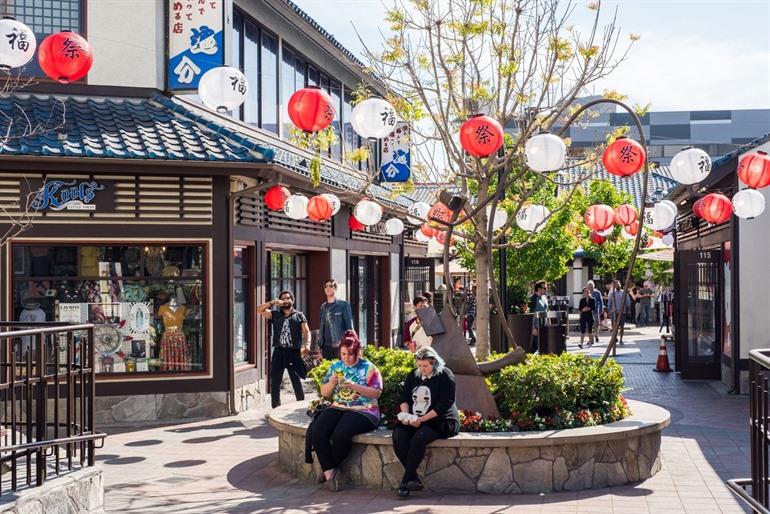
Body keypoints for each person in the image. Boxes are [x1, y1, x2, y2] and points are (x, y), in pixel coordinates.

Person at [312, 330, 383, 492]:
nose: (346, 357)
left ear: (358, 352)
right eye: (343, 354)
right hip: (339, 406)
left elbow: (376, 393)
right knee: (317, 430)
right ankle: (329, 471)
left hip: (365, 411)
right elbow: (324, 392)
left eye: (350, 354)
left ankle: (328, 469)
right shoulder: (336, 366)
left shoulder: (369, 368)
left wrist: (353, 386)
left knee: (341, 433)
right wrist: (331, 383)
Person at [392, 346, 459, 498]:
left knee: (418, 439)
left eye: (426, 366)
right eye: (419, 365)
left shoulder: (445, 376)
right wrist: (406, 415)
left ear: (433, 363)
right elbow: (404, 398)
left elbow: (445, 403)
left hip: (440, 419)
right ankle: (414, 478)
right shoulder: (413, 375)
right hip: (415, 417)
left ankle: (405, 482)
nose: (422, 369)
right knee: (398, 436)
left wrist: (421, 420)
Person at [257, 290, 310, 409]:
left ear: (292, 300)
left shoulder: (299, 315)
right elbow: (259, 310)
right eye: (283, 298)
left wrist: (307, 344)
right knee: (275, 382)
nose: (286, 300)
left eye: (288, 298)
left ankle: (301, 408)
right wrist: (272, 302)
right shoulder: (275, 314)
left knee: (296, 381)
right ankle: (275, 409)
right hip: (279, 352)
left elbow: (306, 331)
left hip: (293, 352)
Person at [319, 279, 354, 360]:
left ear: (335, 289)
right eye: (326, 286)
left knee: (340, 371)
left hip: (340, 345)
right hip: (325, 347)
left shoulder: (343, 305)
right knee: (329, 371)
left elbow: (350, 327)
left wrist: (350, 345)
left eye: (330, 286)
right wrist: (320, 347)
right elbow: (321, 328)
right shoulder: (323, 307)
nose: (328, 288)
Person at [529, 281, 548, 353]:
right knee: (534, 348)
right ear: (539, 289)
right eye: (545, 288)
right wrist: (533, 328)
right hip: (536, 327)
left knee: (544, 347)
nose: (546, 290)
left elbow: (547, 311)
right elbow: (531, 314)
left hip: (544, 326)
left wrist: (549, 324)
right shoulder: (532, 299)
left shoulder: (545, 297)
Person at [607, 281, 628, 345]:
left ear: (620, 285)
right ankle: (614, 338)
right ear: (615, 286)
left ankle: (621, 339)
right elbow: (609, 302)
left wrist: (628, 309)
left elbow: (627, 301)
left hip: (622, 312)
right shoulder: (612, 293)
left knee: (622, 326)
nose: (618, 286)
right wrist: (609, 310)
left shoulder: (624, 293)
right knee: (614, 326)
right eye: (616, 285)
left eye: (619, 284)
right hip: (614, 312)